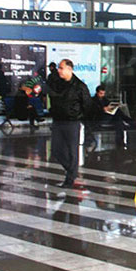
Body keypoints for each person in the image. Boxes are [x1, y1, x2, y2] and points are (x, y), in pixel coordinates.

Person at [49, 59, 92, 188]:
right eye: (59, 68)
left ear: (69, 69)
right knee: (56, 150)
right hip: (58, 121)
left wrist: (80, 117)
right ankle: (72, 171)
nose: (59, 70)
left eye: (61, 68)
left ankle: (70, 178)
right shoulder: (58, 83)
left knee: (72, 150)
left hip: (72, 122)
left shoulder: (80, 86)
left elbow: (87, 104)